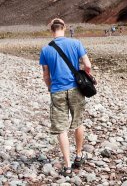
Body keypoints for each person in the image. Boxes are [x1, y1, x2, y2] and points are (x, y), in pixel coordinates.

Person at [39, 18, 92, 177]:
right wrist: (86, 77)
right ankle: (78, 155)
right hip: (76, 88)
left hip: (57, 91)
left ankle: (68, 166)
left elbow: (46, 75)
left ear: (51, 30)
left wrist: (50, 88)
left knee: (61, 128)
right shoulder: (76, 43)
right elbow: (87, 65)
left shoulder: (46, 50)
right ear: (64, 28)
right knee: (78, 122)